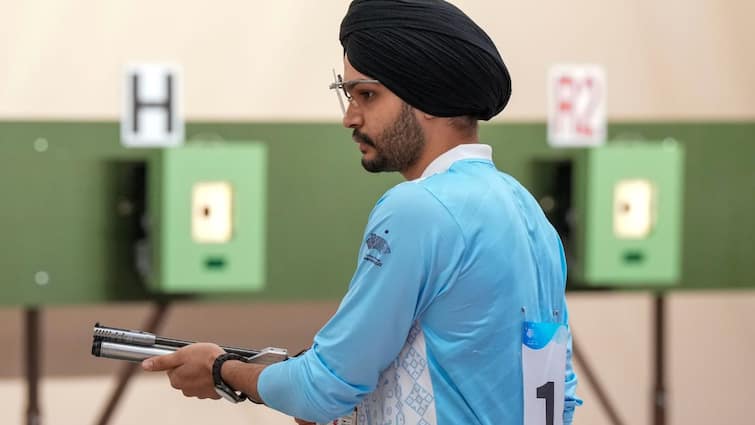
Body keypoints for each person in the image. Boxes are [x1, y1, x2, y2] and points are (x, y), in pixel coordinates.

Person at [142, 1, 582, 424]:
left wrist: (221, 369)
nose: (350, 118)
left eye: (367, 95)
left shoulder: (418, 209)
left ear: (427, 97)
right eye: (348, 95)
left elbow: (324, 386)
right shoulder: (527, 211)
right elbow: (551, 392)